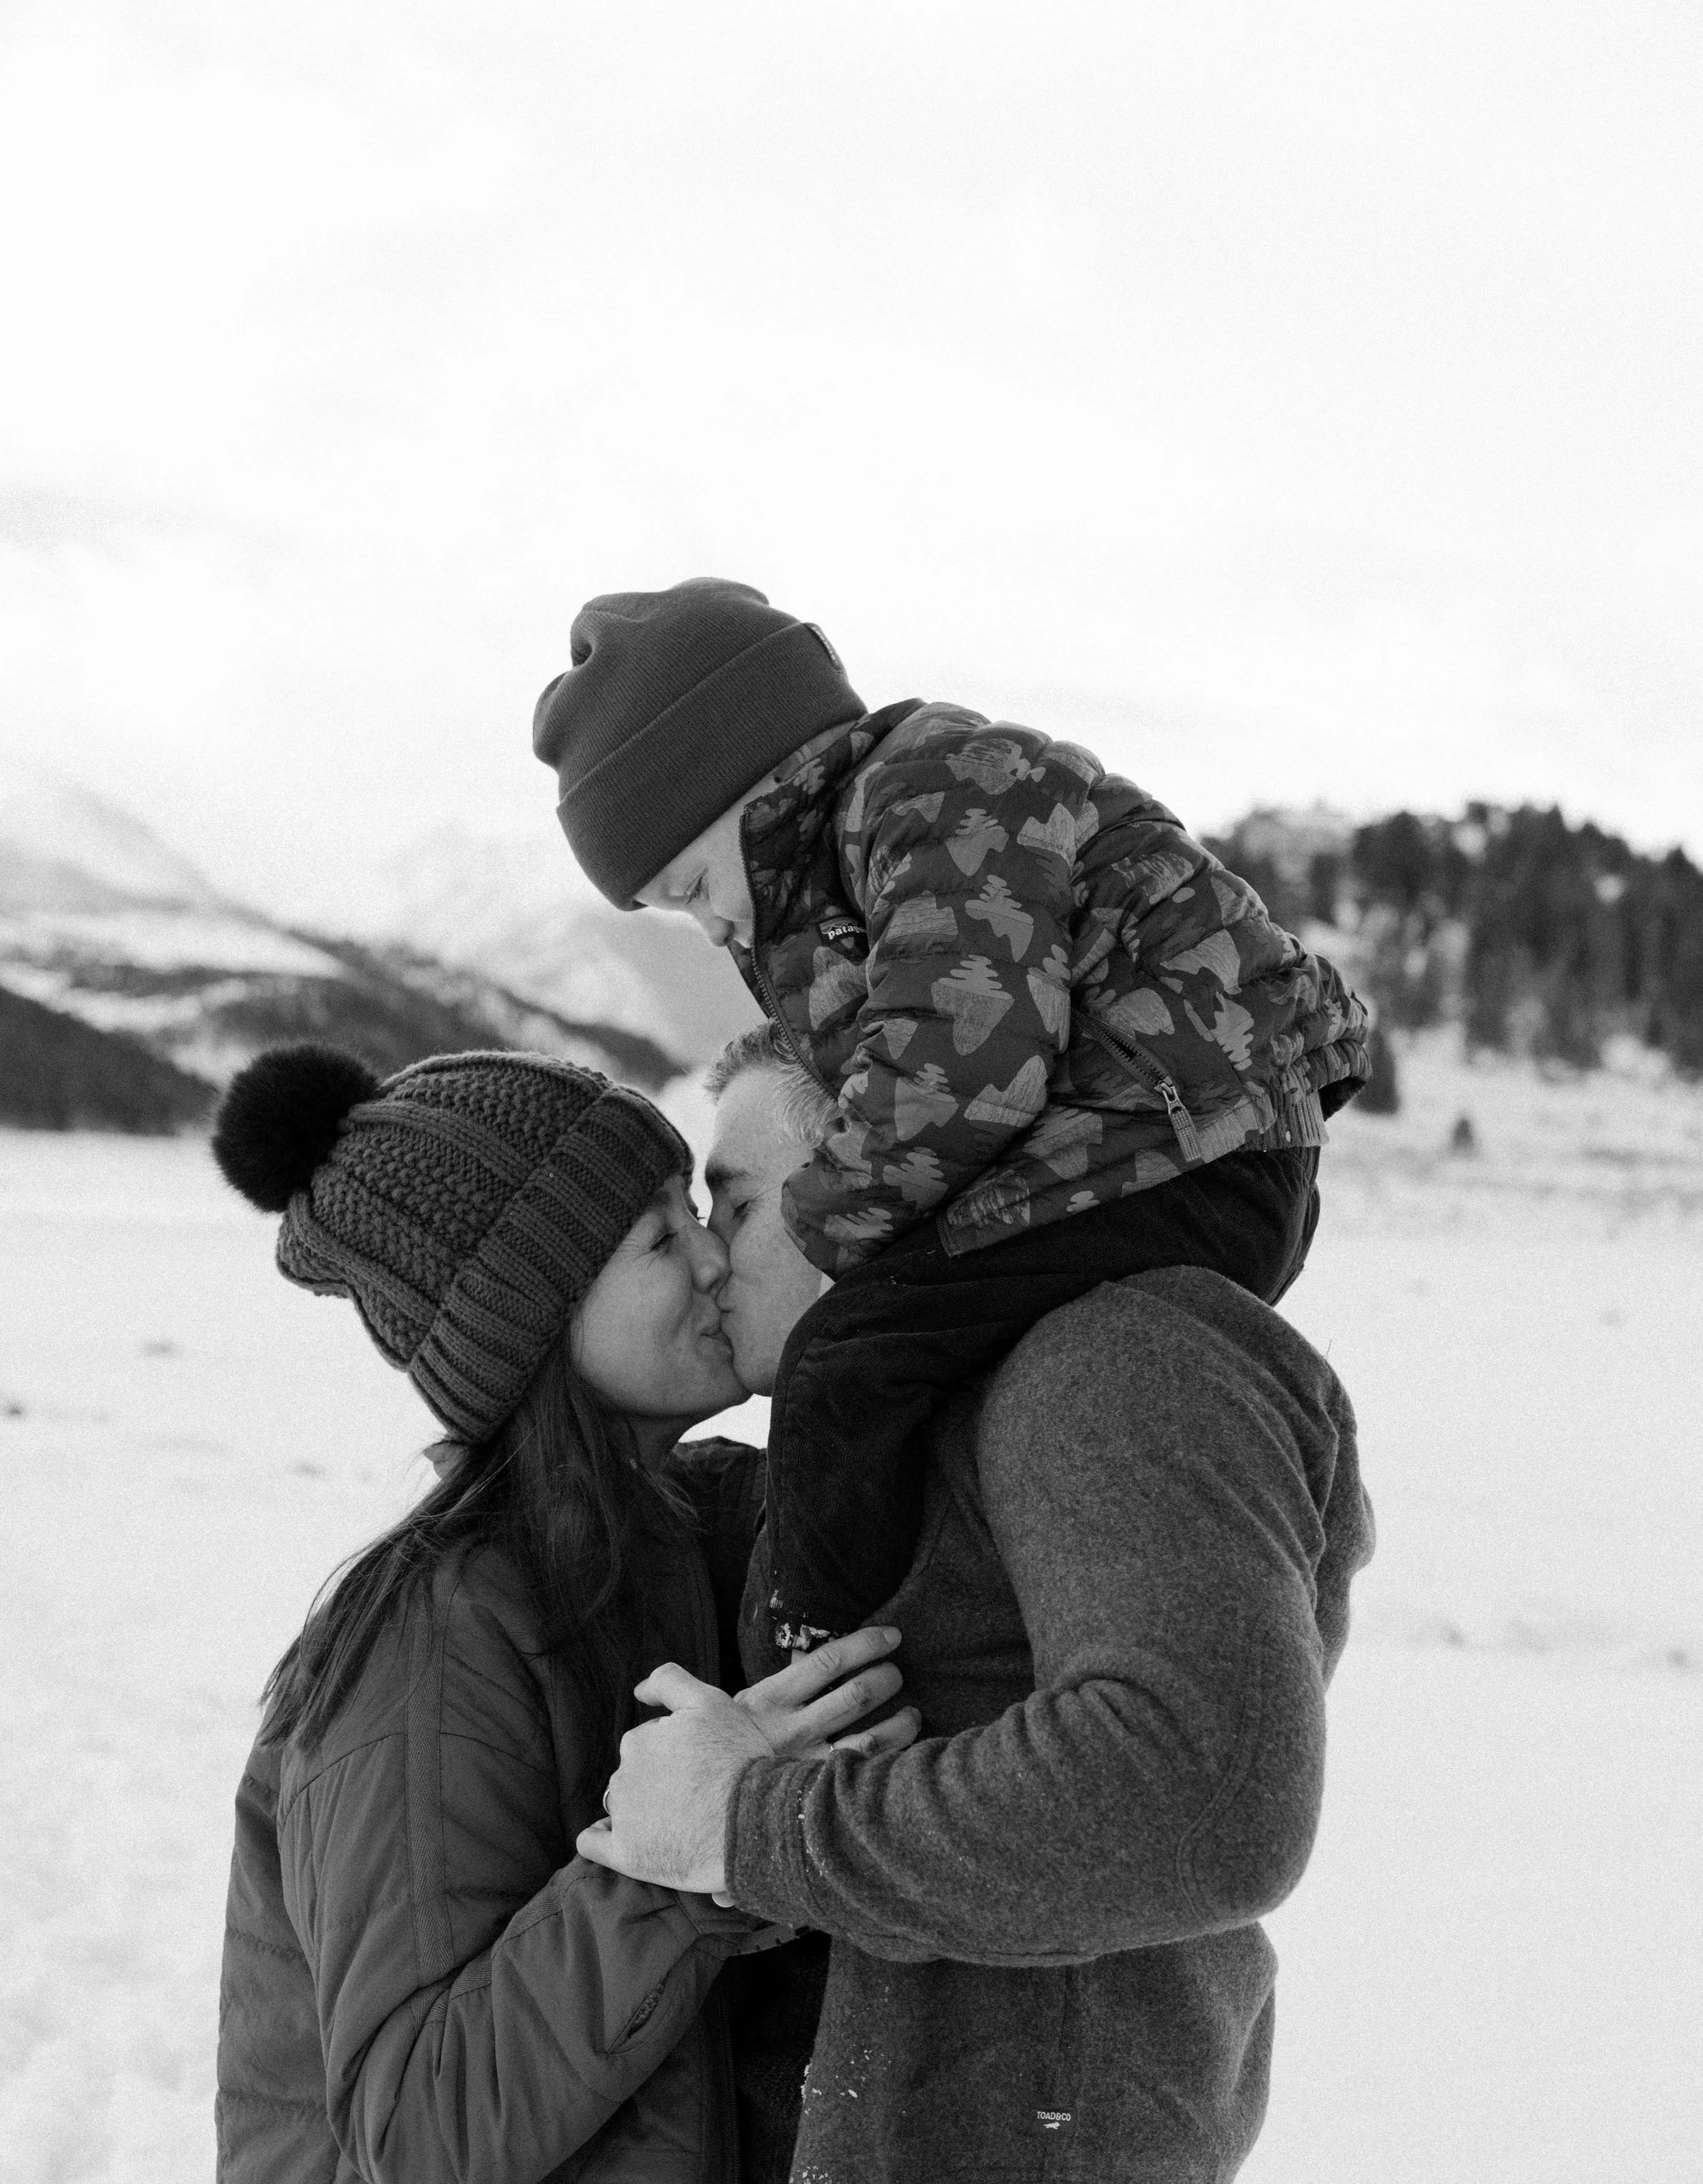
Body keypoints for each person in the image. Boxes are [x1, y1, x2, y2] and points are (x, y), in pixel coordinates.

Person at [573, 1025, 1377, 2184]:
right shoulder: (967, 1406)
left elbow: (1197, 1794)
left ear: (880, 1170)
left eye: (734, 1189)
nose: (709, 1246)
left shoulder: (1114, 1355)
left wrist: (742, 1824)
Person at [208, 1040, 913, 2184]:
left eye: (695, 1204)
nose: (705, 1249)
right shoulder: (436, 1634)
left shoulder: (695, 1538)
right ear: (532, 1312)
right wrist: (685, 1858)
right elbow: (425, 2120)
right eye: (653, 1232)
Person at [534, 576, 1371, 1657]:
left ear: (746, 778)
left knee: (850, 1358)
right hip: (1136, 1153)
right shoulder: (821, 888)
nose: (706, 925)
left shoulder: (932, 792)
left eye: (691, 887)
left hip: (1182, 1151)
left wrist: (817, 1225)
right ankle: (961, 1631)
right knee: (923, 1363)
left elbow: (962, 1062)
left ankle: (817, 1656)